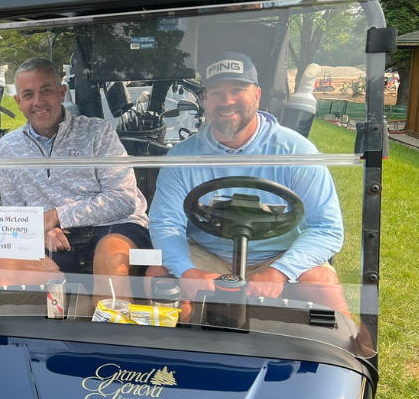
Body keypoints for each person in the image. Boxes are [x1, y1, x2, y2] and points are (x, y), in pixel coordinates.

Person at [147, 51, 347, 315]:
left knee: (322, 284)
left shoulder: (296, 151)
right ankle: (178, 351)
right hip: (208, 255)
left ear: (257, 95)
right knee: (157, 274)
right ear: (204, 99)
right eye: (216, 92)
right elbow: (166, 223)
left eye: (238, 89)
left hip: (279, 256)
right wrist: (187, 272)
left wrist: (279, 272)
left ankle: (357, 349)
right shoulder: (182, 158)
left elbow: (327, 228)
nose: (227, 101)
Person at [0, 57, 151, 297]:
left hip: (113, 227)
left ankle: (110, 331)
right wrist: (41, 229)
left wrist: (55, 217)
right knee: (1, 265)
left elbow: (123, 200)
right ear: (18, 102)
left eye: (46, 91)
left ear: (61, 92)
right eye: (28, 94)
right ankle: (47, 326)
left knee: (110, 260)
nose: (38, 101)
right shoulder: (8, 147)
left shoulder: (97, 132)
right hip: (50, 234)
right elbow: (16, 212)